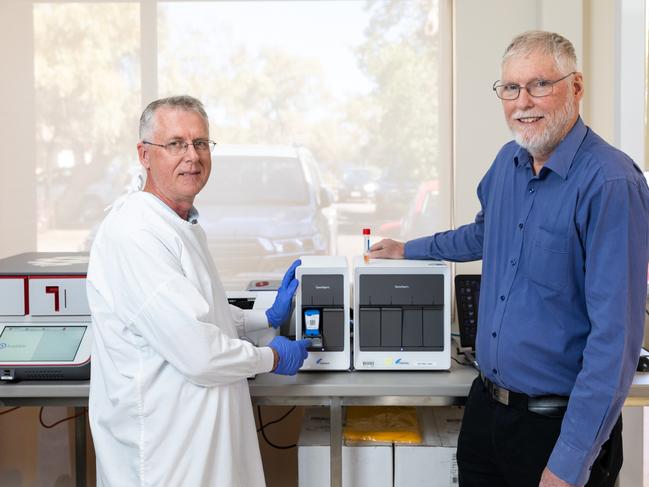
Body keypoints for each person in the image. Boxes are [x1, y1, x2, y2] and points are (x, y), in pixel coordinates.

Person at [369, 31, 649, 487]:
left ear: (576, 87)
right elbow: (485, 232)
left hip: (555, 430)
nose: (523, 101)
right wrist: (408, 249)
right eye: (510, 88)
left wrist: (569, 463)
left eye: (540, 84)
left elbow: (614, 344)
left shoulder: (611, 183)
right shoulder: (509, 162)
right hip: (487, 413)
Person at [86, 95, 311, 487]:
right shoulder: (135, 232)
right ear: (144, 155)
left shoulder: (179, 222)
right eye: (175, 144)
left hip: (195, 446)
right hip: (166, 455)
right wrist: (271, 357)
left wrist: (265, 317)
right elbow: (199, 353)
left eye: (200, 143)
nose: (192, 156)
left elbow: (198, 313)